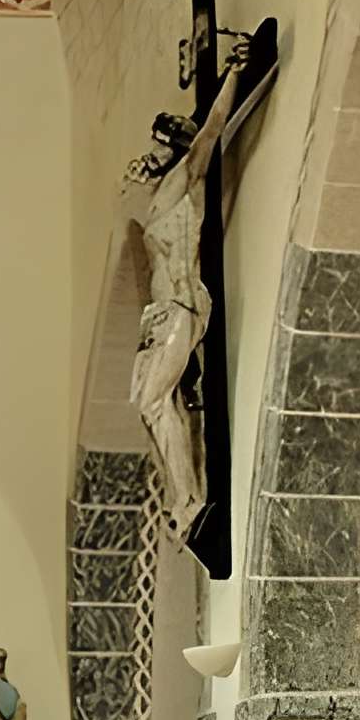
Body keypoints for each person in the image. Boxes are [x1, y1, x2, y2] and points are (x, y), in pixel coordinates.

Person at [127, 52, 243, 544]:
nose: (152, 154)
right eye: (153, 145)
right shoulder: (159, 196)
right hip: (158, 316)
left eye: (161, 146)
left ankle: (188, 500)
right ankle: (184, 491)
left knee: (152, 402)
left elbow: (211, 131)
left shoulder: (186, 179)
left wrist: (234, 74)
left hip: (180, 305)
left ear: (176, 149)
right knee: (149, 403)